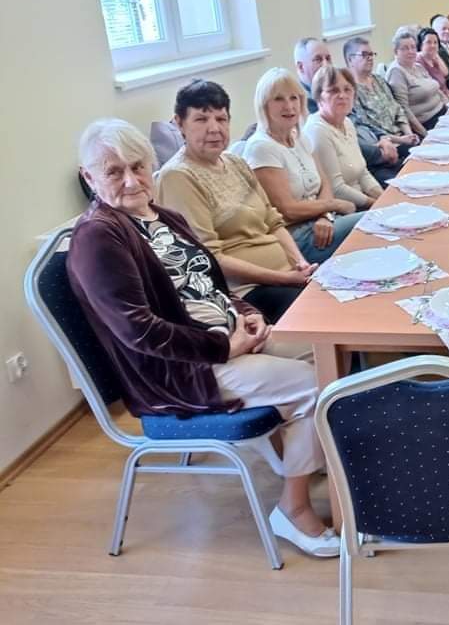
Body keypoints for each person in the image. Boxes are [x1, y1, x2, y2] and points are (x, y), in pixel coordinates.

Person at [69, 118, 340, 557]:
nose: (131, 181)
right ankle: (292, 509)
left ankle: (293, 452)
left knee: (326, 350)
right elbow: (139, 331)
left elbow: (211, 286)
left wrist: (249, 316)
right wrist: (224, 346)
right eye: (113, 172)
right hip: (182, 370)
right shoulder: (99, 237)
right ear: (89, 176)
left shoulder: (164, 218)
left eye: (137, 166)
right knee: (315, 386)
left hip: (226, 341)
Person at [156, 80, 316, 325]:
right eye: (201, 119)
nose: (214, 129)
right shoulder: (177, 176)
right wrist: (284, 279)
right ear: (179, 123)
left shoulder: (235, 162)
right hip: (248, 291)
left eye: (221, 119)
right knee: (325, 312)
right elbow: (211, 257)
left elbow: (273, 222)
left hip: (287, 274)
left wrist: (300, 263)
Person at [242, 67, 363, 264]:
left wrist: (325, 216)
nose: (289, 106)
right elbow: (287, 209)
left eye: (294, 98)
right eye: (279, 99)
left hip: (324, 223)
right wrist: (333, 205)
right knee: (372, 223)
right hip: (296, 236)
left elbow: (325, 183)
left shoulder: (299, 136)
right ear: (264, 105)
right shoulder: (261, 147)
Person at [303, 67, 384, 210]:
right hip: (344, 208)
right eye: (333, 90)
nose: (342, 95)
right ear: (319, 97)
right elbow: (336, 188)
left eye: (347, 89)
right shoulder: (317, 130)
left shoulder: (347, 122)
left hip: (363, 200)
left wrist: (384, 197)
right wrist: (377, 205)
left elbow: (363, 173)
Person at [343, 35, 418, 185]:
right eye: (365, 54)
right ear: (350, 60)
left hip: (403, 138)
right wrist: (400, 140)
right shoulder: (350, 90)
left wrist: (408, 133)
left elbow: (397, 108)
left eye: (371, 54)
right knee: (412, 177)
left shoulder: (378, 80)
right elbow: (367, 127)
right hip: (386, 148)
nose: (370, 58)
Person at [387, 28, 448, 136]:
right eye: (405, 48)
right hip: (428, 123)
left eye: (413, 47)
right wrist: (425, 134)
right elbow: (403, 109)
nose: (411, 51)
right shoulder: (396, 72)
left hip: (443, 114)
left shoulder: (417, 66)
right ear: (396, 51)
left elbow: (438, 90)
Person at [294, 37, 334, 114]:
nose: (326, 64)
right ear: (301, 67)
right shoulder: (300, 101)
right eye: (318, 59)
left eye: (328, 58)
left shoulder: (338, 89)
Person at [416, 27, 449, 97]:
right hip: (437, 100)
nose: (433, 45)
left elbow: (446, 73)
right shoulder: (418, 61)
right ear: (421, 45)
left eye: (435, 42)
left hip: (448, 95)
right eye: (428, 42)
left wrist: (436, 55)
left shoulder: (434, 58)